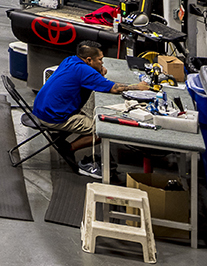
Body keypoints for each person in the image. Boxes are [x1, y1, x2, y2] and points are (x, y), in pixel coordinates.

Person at [33, 41, 138, 171]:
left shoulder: (70, 60)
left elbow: (98, 74)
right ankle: (68, 149)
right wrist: (138, 87)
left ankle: (63, 139)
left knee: (92, 114)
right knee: (103, 131)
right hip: (53, 117)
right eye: (100, 59)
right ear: (88, 60)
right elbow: (114, 88)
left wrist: (98, 69)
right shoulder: (85, 71)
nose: (102, 63)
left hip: (41, 108)